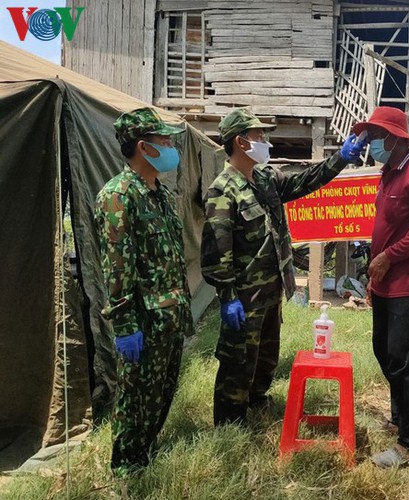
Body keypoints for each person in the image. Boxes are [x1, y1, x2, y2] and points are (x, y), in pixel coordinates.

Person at [201, 107, 366, 426]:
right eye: (259, 135)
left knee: (265, 353)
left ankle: (258, 400)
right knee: (238, 360)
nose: (265, 141)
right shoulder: (223, 190)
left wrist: (341, 159)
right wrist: (227, 296)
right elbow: (216, 250)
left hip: (270, 289)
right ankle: (230, 423)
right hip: (244, 297)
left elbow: (306, 182)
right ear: (241, 142)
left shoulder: (265, 178)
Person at [95, 107, 194, 475]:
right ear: (143, 146)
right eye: (164, 140)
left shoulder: (161, 195)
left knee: (160, 396)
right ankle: (126, 470)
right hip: (142, 323)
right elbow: (116, 266)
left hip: (169, 317)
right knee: (135, 399)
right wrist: (124, 325)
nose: (171, 146)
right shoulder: (118, 196)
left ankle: (145, 454)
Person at [352, 106, 409, 467]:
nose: (371, 142)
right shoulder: (388, 173)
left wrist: (390, 256)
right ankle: (398, 417)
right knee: (384, 351)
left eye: (375, 135)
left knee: (406, 362)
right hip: (385, 283)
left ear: (392, 137)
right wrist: (377, 272)